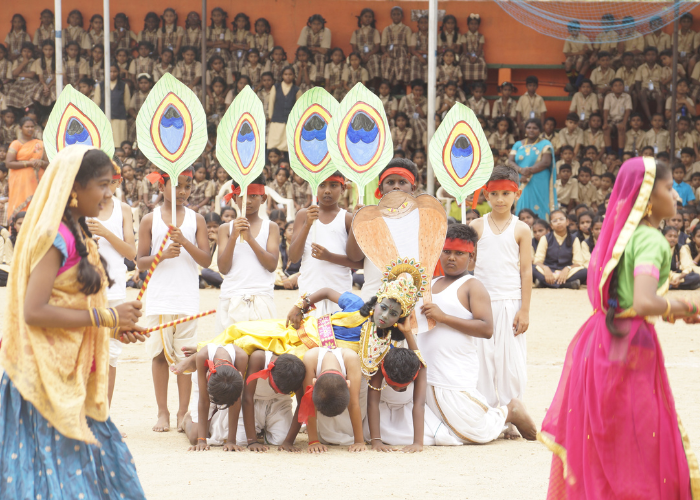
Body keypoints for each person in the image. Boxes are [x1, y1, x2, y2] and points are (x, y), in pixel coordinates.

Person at [540, 157, 700, 498]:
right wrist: (689, 306)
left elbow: (625, 295)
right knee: (639, 438)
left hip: (599, 339)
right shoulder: (652, 240)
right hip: (631, 344)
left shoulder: (623, 236)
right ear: (648, 195)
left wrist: (670, 312)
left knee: (604, 436)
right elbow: (643, 301)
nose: (677, 196)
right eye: (669, 188)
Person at [0, 146, 147, 499]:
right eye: (102, 184)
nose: (109, 193)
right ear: (74, 188)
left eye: (111, 184)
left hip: (70, 377)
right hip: (40, 380)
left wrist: (113, 327)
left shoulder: (80, 235)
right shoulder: (55, 237)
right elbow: (34, 310)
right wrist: (106, 317)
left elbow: (72, 304)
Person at [418, 224, 537, 444]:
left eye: (459, 253)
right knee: (434, 432)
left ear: (471, 258)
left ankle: (509, 411)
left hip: (454, 370)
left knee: (473, 432)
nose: (451, 258)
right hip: (427, 368)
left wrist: (444, 317)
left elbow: (486, 328)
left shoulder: (472, 286)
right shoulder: (430, 284)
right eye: (447, 252)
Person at [137, 168, 212, 433]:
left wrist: (184, 242)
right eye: (177, 186)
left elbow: (206, 260)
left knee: (185, 356)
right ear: (162, 187)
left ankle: (182, 411)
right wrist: (163, 255)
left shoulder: (196, 219)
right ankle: (162, 412)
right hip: (160, 298)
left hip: (187, 297)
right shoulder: (150, 219)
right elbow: (140, 262)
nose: (182, 191)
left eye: (187, 186)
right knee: (159, 355)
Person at [472, 167, 533, 439]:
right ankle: (488, 416)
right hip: (481, 303)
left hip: (510, 302)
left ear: (516, 194)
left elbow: (526, 271)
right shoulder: (477, 226)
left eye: (506, 194)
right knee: (483, 361)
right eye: (494, 193)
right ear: (486, 194)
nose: (499, 199)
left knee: (511, 362)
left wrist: (525, 309)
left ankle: (512, 415)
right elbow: (468, 264)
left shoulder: (522, 229)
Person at [87, 162, 135, 406]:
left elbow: (131, 252)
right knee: (85, 349)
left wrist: (106, 233)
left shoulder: (123, 209)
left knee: (111, 354)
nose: (107, 188)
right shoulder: (83, 207)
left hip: (115, 287)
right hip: (86, 289)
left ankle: (104, 413)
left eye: (112, 182)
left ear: (119, 182)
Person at [346, 158, 418, 301]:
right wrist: (357, 222)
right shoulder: (369, 219)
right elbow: (354, 257)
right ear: (380, 189)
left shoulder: (422, 220)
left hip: (412, 300)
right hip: (374, 300)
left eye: (402, 182)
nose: (396, 187)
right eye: (390, 182)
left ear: (413, 188)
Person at [216, 177, 279, 332]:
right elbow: (223, 268)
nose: (248, 201)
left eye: (253, 196)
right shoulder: (225, 229)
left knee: (260, 347)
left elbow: (271, 265)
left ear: (263, 198)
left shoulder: (271, 227)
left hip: (261, 298)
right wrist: (233, 237)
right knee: (231, 345)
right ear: (234, 198)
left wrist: (250, 238)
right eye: (242, 196)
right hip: (231, 297)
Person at [289, 173, 354, 316]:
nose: (327, 190)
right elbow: (293, 257)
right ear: (314, 188)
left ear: (343, 189)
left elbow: (358, 262)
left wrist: (329, 257)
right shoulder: (303, 215)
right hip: (309, 292)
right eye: (322, 185)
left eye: (333, 185)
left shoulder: (347, 218)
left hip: (339, 293)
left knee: (337, 330)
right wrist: (307, 224)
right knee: (310, 330)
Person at [171, 339, 247, 450]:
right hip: (203, 386)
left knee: (239, 438)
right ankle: (187, 418)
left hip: (229, 390)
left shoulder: (241, 357)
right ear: (208, 375)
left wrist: (231, 441)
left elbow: (236, 401)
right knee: (194, 438)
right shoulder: (202, 356)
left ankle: (213, 416)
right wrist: (201, 440)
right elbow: (204, 400)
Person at [238, 351, 306, 450]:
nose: (275, 391)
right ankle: (258, 430)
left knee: (281, 440)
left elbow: (302, 404)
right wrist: (252, 441)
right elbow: (247, 397)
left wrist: (288, 441)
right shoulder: (259, 358)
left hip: (279, 402)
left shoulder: (297, 371)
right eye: (275, 388)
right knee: (241, 440)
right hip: (254, 401)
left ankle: (265, 429)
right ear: (271, 372)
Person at [509, 118, 556, 221]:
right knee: (521, 204)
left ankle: (541, 227)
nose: (531, 130)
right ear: (525, 129)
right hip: (522, 179)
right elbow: (510, 161)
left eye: (535, 128)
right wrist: (521, 170)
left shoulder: (545, 144)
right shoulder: (518, 144)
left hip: (539, 179)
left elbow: (546, 162)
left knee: (540, 204)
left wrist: (528, 171)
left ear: (540, 130)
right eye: (529, 127)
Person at [5, 116, 48, 223]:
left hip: (37, 182)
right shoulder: (16, 144)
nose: (30, 129)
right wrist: (29, 163)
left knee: (37, 207)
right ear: (20, 128)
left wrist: (41, 163)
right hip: (20, 183)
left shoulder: (40, 144)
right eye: (27, 127)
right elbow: (8, 163)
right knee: (20, 207)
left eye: (32, 127)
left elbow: (48, 164)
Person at [533, 210, 586, 289]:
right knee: (531, 269)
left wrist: (567, 268)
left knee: (585, 271)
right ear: (551, 226)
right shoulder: (545, 238)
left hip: (567, 273)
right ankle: (567, 284)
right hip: (548, 272)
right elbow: (537, 261)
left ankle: (544, 283)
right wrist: (545, 268)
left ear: (567, 222)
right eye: (555, 221)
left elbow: (578, 263)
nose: (558, 222)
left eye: (561, 219)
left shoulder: (574, 239)